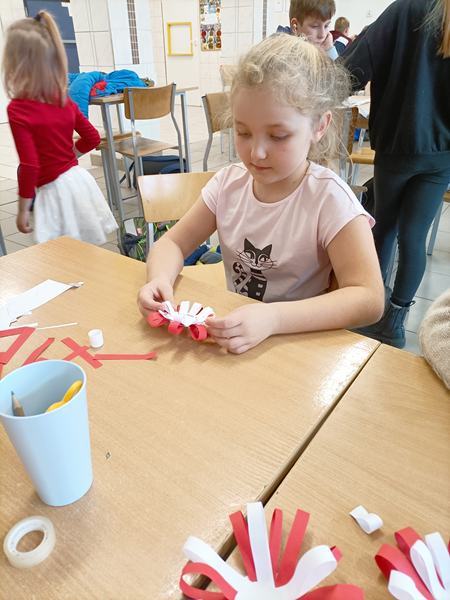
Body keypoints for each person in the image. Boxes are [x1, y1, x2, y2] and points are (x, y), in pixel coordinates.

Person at [137, 35, 384, 354]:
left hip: (298, 347)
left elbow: (369, 297)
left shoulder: (330, 200)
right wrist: (158, 279)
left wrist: (274, 318)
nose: (256, 152)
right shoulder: (228, 184)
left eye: (278, 136)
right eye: (243, 132)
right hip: (239, 343)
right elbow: (172, 242)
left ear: (318, 127)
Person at [342, 0, 450, 349]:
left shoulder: (407, 9)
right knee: (414, 237)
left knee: (383, 226)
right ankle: (395, 322)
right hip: (443, 154)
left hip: (399, 143)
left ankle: (368, 308)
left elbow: (352, 68)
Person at [2, 11, 118, 246]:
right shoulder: (63, 99)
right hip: (78, 182)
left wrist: (23, 209)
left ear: (13, 63)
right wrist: (70, 157)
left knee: (58, 255)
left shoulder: (19, 108)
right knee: (84, 251)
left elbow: (30, 165)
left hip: (55, 192)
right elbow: (92, 138)